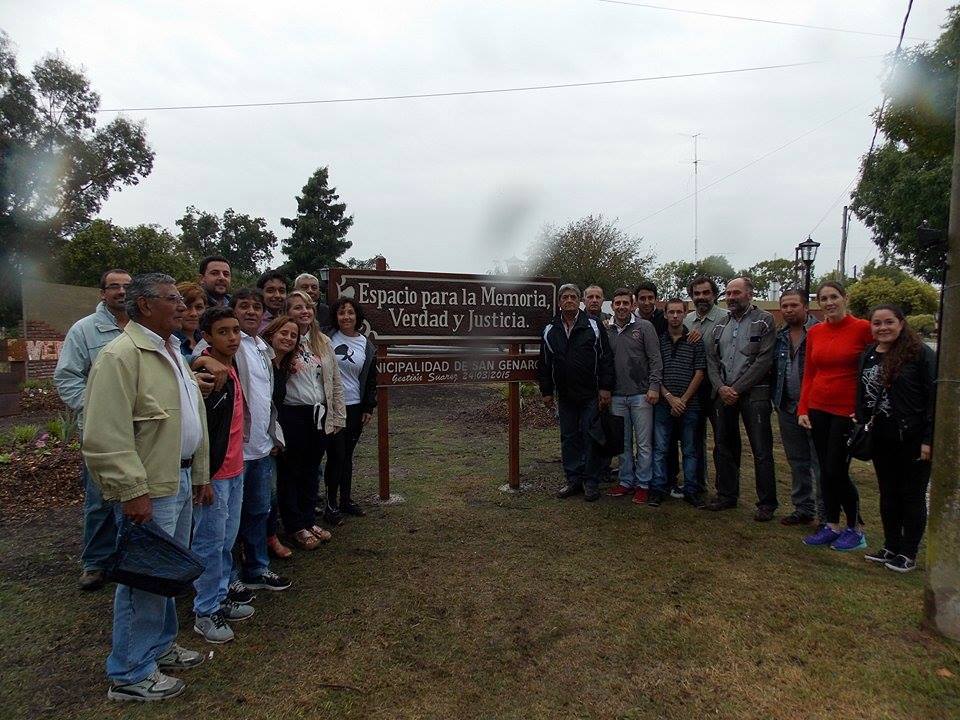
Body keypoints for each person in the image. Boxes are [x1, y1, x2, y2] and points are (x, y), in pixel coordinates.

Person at [82, 272, 210, 702]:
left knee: (165, 571)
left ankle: (157, 648)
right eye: (171, 298)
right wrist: (132, 491)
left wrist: (200, 474)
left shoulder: (171, 350)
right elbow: (106, 435)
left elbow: (190, 418)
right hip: (150, 487)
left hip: (180, 476)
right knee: (143, 577)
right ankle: (131, 673)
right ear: (144, 306)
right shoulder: (121, 356)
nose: (181, 305)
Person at [53, 268, 130, 591]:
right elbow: (67, 377)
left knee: (135, 497)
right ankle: (96, 562)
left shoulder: (143, 328)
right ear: (102, 293)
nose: (122, 292)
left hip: (139, 429)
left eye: (128, 286)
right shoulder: (85, 330)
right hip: (102, 431)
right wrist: (99, 406)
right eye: (114, 287)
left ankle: (130, 559)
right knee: (100, 498)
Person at [858, 305, 937, 573]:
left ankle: (908, 552)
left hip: (912, 435)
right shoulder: (871, 354)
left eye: (888, 322)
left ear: (901, 324)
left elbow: (933, 401)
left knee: (911, 494)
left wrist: (929, 438)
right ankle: (891, 545)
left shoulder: (919, 354)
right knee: (888, 492)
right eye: (877, 323)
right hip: (882, 436)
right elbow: (865, 393)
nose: (883, 328)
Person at [191, 307, 253, 644]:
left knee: (227, 540)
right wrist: (203, 476)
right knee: (209, 543)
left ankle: (219, 596)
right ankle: (204, 610)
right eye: (223, 332)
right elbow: (200, 428)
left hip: (236, 467)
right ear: (207, 337)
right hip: (214, 473)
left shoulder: (230, 367)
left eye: (235, 331)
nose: (232, 338)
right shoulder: (207, 371)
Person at [798, 281, 874, 551]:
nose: (829, 303)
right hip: (819, 407)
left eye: (834, 297)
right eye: (823, 299)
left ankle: (856, 528)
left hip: (847, 411)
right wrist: (803, 408)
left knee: (836, 469)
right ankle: (831, 524)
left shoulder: (863, 329)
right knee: (825, 470)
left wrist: (866, 407)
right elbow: (810, 372)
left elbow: (876, 366)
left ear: (845, 298)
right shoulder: (816, 332)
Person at [704, 277, 778, 520]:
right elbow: (712, 361)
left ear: (749, 294)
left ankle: (766, 502)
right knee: (724, 446)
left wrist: (737, 387)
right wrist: (721, 387)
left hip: (754, 394)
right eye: (728, 293)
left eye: (737, 292)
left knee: (761, 449)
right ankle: (727, 494)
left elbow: (764, 360)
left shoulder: (763, 321)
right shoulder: (720, 326)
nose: (732, 297)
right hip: (723, 394)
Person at [276, 291, 345, 549]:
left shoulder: (322, 341)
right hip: (292, 413)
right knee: (291, 471)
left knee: (311, 470)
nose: (304, 311)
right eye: (297, 307)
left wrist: (337, 415)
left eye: (307, 306)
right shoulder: (283, 339)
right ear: (287, 312)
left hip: (318, 413)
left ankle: (308, 519)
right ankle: (294, 525)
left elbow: (334, 381)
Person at [538, 283, 615, 503]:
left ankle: (591, 481)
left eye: (573, 296)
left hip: (590, 393)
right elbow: (544, 364)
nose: (569, 300)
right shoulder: (549, 330)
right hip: (565, 396)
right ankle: (573, 480)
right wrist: (546, 391)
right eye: (565, 297)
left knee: (590, 437)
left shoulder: (593, 325)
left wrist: (605, 388)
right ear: (559, 301)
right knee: (569, 438)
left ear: (579, 300)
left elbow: (606, 359)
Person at [605, 288, 662, 504]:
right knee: (623, 443)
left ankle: (643, 484)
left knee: (644, 443)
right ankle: (625, 481)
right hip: (617, 396)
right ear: (612, 306)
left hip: (642, 395)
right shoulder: (608, 331)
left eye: (625, 303)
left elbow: (655, 359)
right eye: (617, 303)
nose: (621, 307)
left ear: (632, 305)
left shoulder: (644, 327)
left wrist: (654, 387)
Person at [324, 297, 378, 521]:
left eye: (350, 312)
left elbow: (370, 378)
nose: (346, 317)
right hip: (332, 406)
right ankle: (330, 504)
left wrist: (368, 407)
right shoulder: (327, 338)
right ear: (335, 317)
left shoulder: (366, 344)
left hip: (355, 406)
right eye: (341, 313)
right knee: (335, 456)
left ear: (357, 316)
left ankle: (345, 500)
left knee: (347, 456)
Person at [773, 289, 823, 526]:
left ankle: (826, 514)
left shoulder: (819, 332)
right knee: (797, 460)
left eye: (794, 305)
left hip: (815, 407)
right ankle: (803, 508)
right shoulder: (780, 334)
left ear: (806, 307)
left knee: (820, 462)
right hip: (787, 403)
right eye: (785, 306)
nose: (789, 310)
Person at [651, 299, 706, 507]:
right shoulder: (659, 340)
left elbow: (700, 371)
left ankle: (691, 490)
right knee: (661, 448)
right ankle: (658, 488)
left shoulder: (695, 340)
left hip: (690, 405)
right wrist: (669, 398)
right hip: (664, 404)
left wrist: (682, 400)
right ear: (665, 315)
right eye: (671, 312)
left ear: (685, 314)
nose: (675, 316)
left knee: (690, 450)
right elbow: (655, 371)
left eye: (678, 312)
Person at [260, 315, 301, 559]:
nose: (287, 338)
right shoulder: (264, 361)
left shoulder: (283, 366)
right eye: (283, 333)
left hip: (271, 437)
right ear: (271, 334)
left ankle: (269, 537)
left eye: (293, 335)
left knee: (270, 493)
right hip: (258, 440)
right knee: (266, 494)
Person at [683, 275, 726, 499]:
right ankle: (698, 483)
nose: (701, 297)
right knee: (695, 440)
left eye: (705, 293)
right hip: (695, 389)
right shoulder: (686, 321)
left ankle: (726, 490)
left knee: (723, 442)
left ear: (714, 294)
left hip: (719, 389)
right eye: (697, 293)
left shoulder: (726, 319)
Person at [174, 282, 206, 357]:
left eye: (199, 307)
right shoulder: (169, 343)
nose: (193, 314)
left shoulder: (208, 340)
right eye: (187, 307)